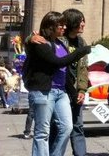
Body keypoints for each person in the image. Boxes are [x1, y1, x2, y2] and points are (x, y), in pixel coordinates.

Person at [23, 11, 91, 156]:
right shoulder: (42, 41)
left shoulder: (64, 42)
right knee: (43, 131)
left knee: (68, 127)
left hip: (63, 90)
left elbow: (80, 68)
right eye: (61, 25)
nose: (64, 27)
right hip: (44, 90)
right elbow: (57, 62)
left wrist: (80, 90)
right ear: (51, 26)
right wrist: (29, 38)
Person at [53, 8, 89, 156]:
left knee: (78, 125)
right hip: (61, 89)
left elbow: (83, 68)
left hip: (76, 90)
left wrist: (82, 90)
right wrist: (31, 38)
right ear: (72, 22)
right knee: (58, 126)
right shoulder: (59, 40)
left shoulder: (82, 42)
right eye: (80, 21)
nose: (83, 24)